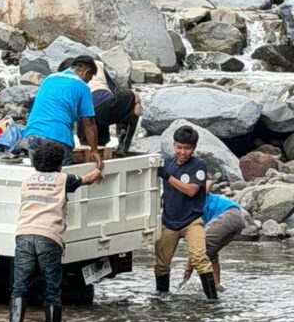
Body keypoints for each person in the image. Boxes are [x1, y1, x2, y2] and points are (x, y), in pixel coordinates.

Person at [9, 139, 102, 322]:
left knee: (19, 287)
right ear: (60, 163)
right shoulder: (63, 179)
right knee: (51, 288)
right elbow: (88, 179)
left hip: (24, 235)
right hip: (49, 236)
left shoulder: (27, 182)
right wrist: (99, 167)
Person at [154, 125, 217, 300]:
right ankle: (161, 299)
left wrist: (167, 177)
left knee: (199, 259)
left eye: (187, 148)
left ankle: (213, 301)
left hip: (192, 221)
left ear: (194, 148)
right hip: (169, 221)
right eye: (179, 147)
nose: (183, 152)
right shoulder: (166, 162)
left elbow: (191, 190)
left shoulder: (199, 166)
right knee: (161, 264)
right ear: (174, 145)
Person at [22, 55, 104, 170]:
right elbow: (89, 122)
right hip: (58, 138)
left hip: (33, 136)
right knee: (61, 182)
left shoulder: (49, 78)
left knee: (40, 178)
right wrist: (94, 151)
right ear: (87, 72)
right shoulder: (82, 86)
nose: (88, 82)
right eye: (89, 79)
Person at [62, 58, 141, 158]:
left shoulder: (65, 75)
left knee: (94, 128)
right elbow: (115, 91)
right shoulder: (97, 65)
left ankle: (93, 147)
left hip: (84, 121)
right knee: (132, 98)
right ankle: (123, 145)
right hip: (101, 109)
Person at [183, 191, 243, 290]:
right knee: (210, 254)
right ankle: (216, 286)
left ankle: (184, 282)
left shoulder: (194, 200)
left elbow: (197, 245)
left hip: (228, 214)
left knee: (199, 245)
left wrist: (187, 273)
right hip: (238, 218)